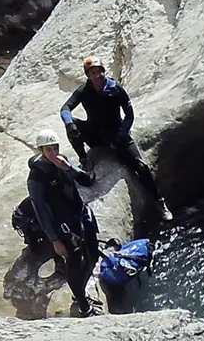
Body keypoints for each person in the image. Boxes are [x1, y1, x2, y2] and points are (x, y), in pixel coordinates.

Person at [60, 56, 172, 221]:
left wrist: (122, 134)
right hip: (95, 134)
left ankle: (158, 201)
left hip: (117, 134)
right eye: (93, 73)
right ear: (88, 75)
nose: (98, 75)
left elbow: (129, 114)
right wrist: (69, 123)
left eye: (100, 71)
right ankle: (84, 158)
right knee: (73, 127)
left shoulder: (115, 88)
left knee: (142, 167)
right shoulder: (84, 91)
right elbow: (66, 108)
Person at [27, 128, 104, 317]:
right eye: (48, 150)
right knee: (74, 263)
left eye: (55, 148)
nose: (53, 153)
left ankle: (80, 295)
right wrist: (54, 240)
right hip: (64, 226)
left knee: (93, 255)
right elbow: (41, 211)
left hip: (80, 215)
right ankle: (84, 307)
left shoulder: (63, 163)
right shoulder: (36, 178)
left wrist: (68, 168)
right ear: (40, 150)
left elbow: (87, 181)